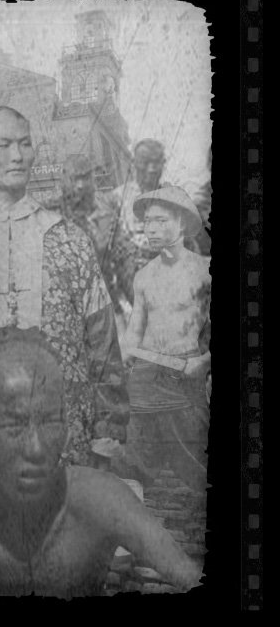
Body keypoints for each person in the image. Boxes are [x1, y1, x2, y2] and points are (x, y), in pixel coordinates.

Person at [0, 327, 202, 598]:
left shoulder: (101, 501)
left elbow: (191, 577)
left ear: (68, 429)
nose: (36, 448)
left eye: (50, 421)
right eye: (13, 425)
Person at [0, 106, 129, 465]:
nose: (17, 156)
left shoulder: (68, 238)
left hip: (63, 436)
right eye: (4, 145)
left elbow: (103, 340)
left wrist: (108, 428)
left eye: (25, 144)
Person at [120, 184, 211, 491]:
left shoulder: (205, 271)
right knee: (133, 467)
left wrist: (204, 362)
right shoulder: (143, 277)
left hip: (186, 383)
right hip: (146, 384)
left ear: (182, 223)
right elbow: (132, 339)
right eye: (148, 221)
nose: (152, 228)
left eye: (161, 220)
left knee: (196, 463)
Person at [46, 154, 139, 314]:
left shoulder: (106, 213)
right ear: (65, 180)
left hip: (105, 305)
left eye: (85, 177)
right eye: (75, 179)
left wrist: (139, 308)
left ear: (93, 179)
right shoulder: (50, 215)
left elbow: (124, 264)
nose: (81, 185)